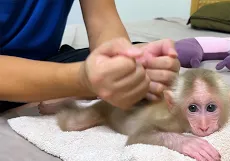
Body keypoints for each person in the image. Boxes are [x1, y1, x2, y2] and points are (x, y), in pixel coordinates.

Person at [0, 0, 180, 114]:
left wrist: (124, 63)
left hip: (46, 61)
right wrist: (80, 80)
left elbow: (103, 21)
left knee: (143, 58)